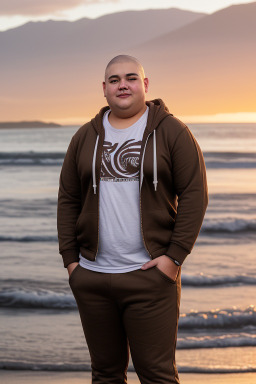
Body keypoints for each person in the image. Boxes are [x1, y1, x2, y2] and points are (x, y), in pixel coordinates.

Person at [57, 54, 208, 384]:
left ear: (145, 84)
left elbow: (195, 194)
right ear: (104, 89)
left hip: (149, 277)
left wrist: (173, 258)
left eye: (130, 78)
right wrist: (71, 262)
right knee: (106, 375)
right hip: (92, 278)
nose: (122, 85)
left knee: (157, 375)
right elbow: (68, 199)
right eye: (114, 80)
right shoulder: (84, 138)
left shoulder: (172, 132)